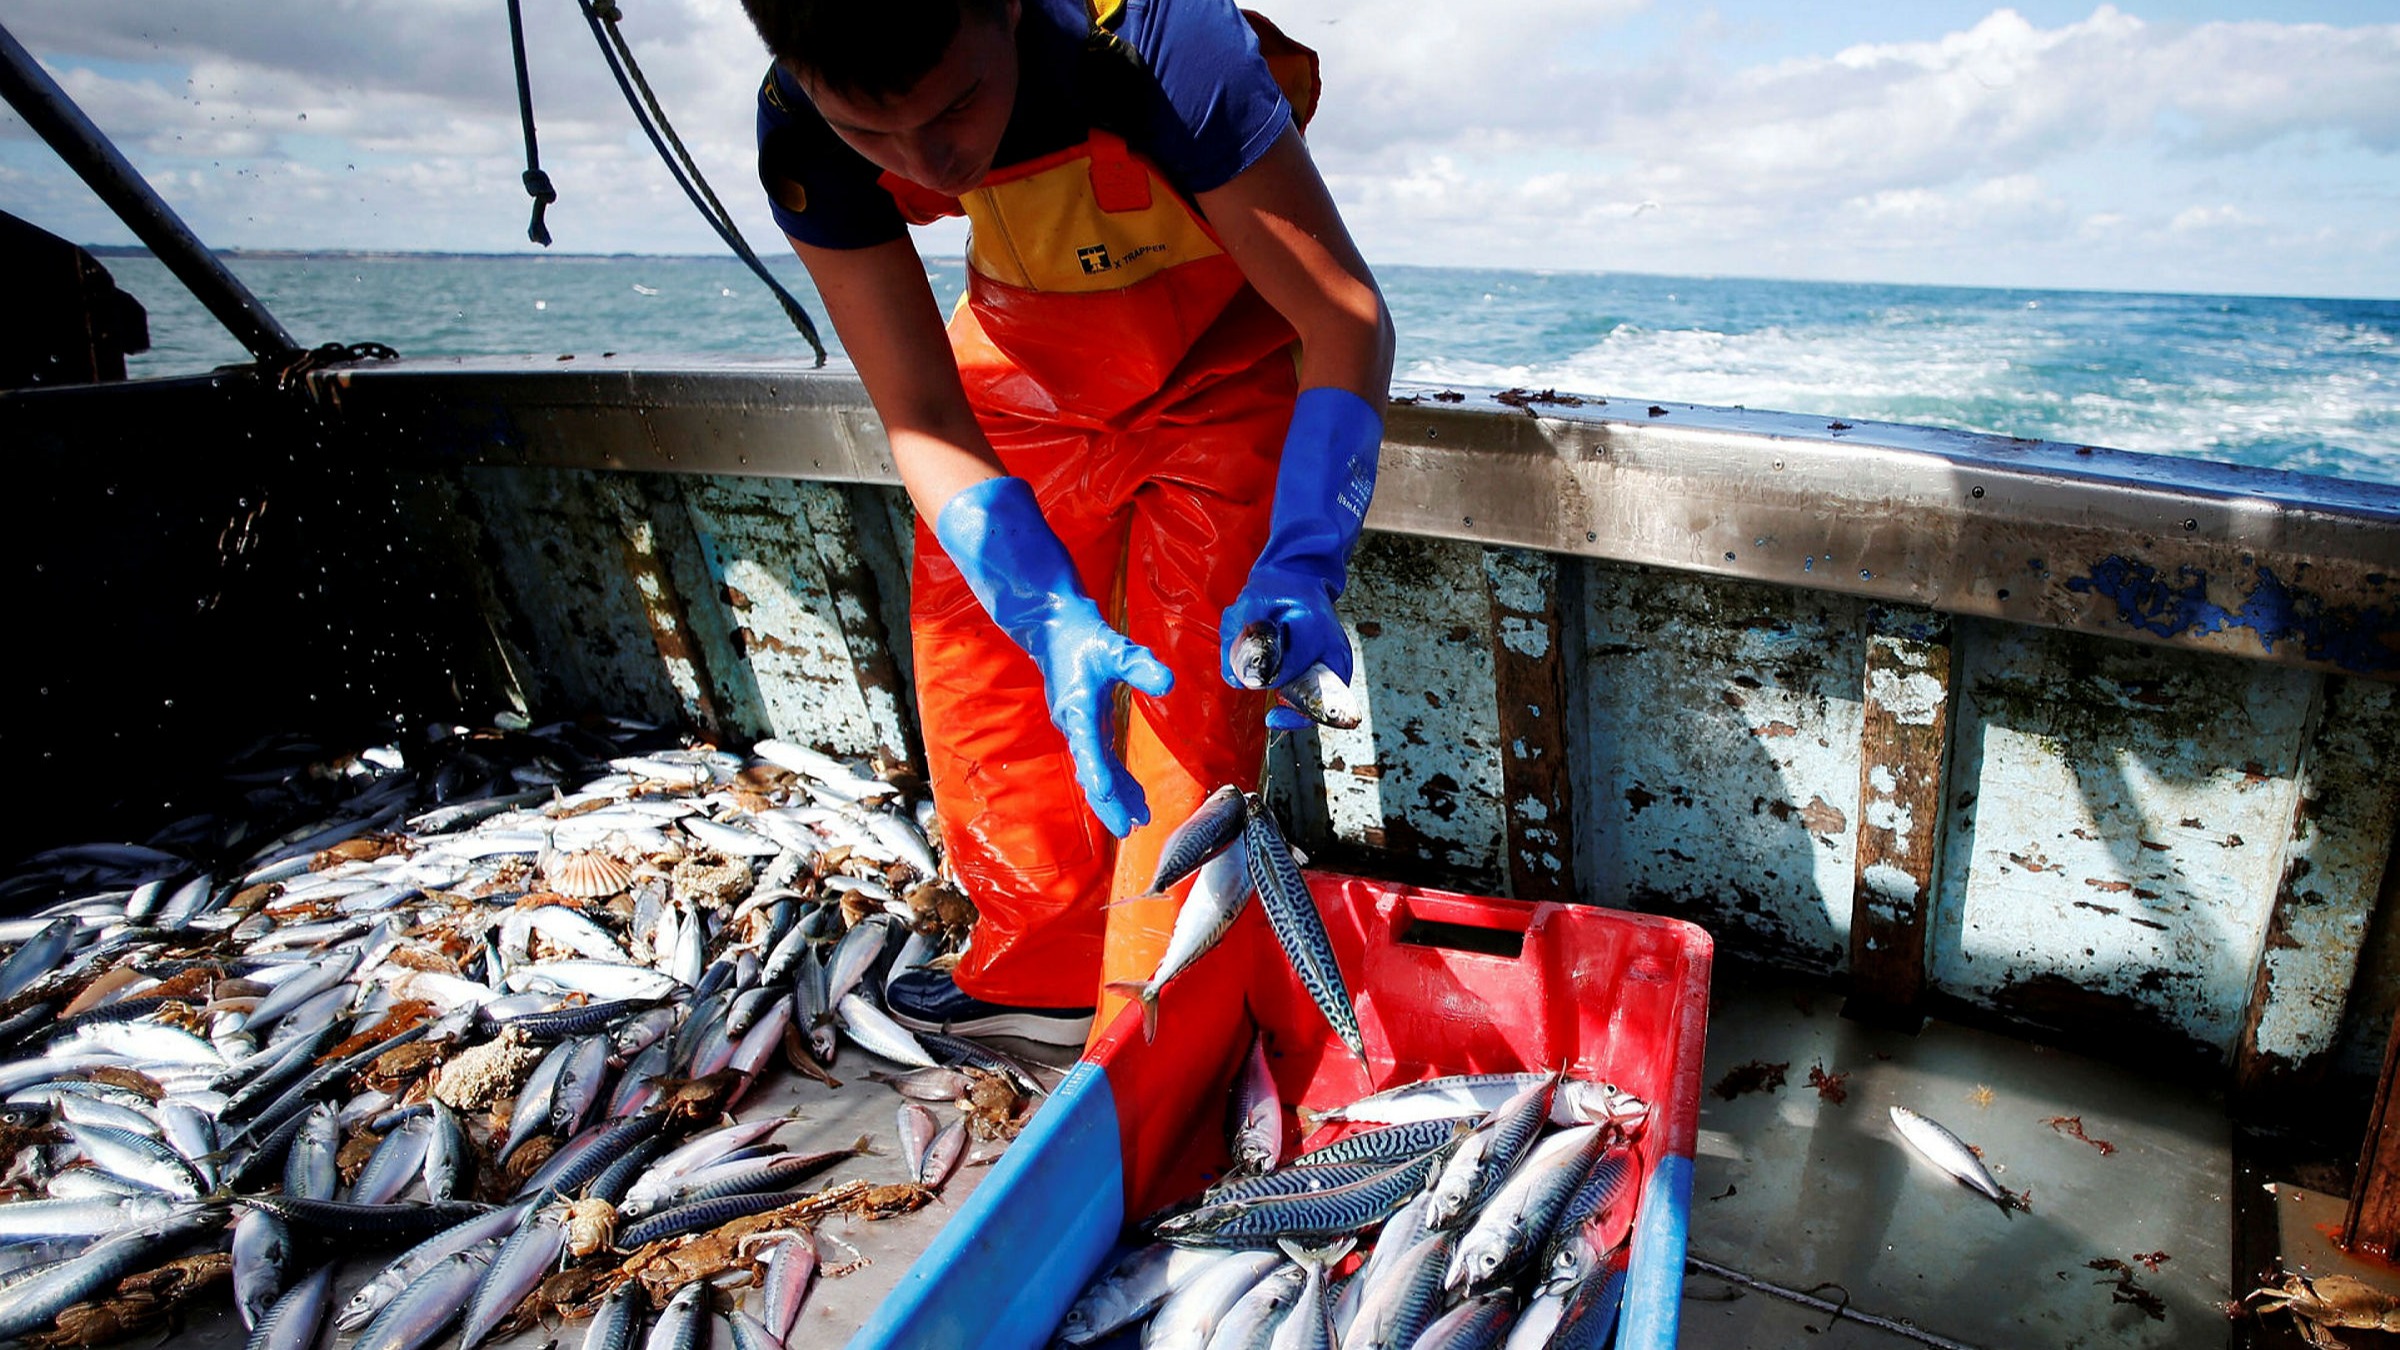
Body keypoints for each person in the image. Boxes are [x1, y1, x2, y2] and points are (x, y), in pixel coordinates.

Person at [745, 0, 1393, 1046]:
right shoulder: (796, 119)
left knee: (1187, 726)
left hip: (1221, 373)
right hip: (1018, 378)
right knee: (988, 707)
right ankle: (1035, 969)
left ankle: (1152, 1030)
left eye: (956, 104)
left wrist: (1309, 550)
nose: (932, 158)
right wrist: (1044, 613)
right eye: (875, 135)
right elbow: (919, 408)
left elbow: (1341, 315)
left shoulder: (1162, 40)